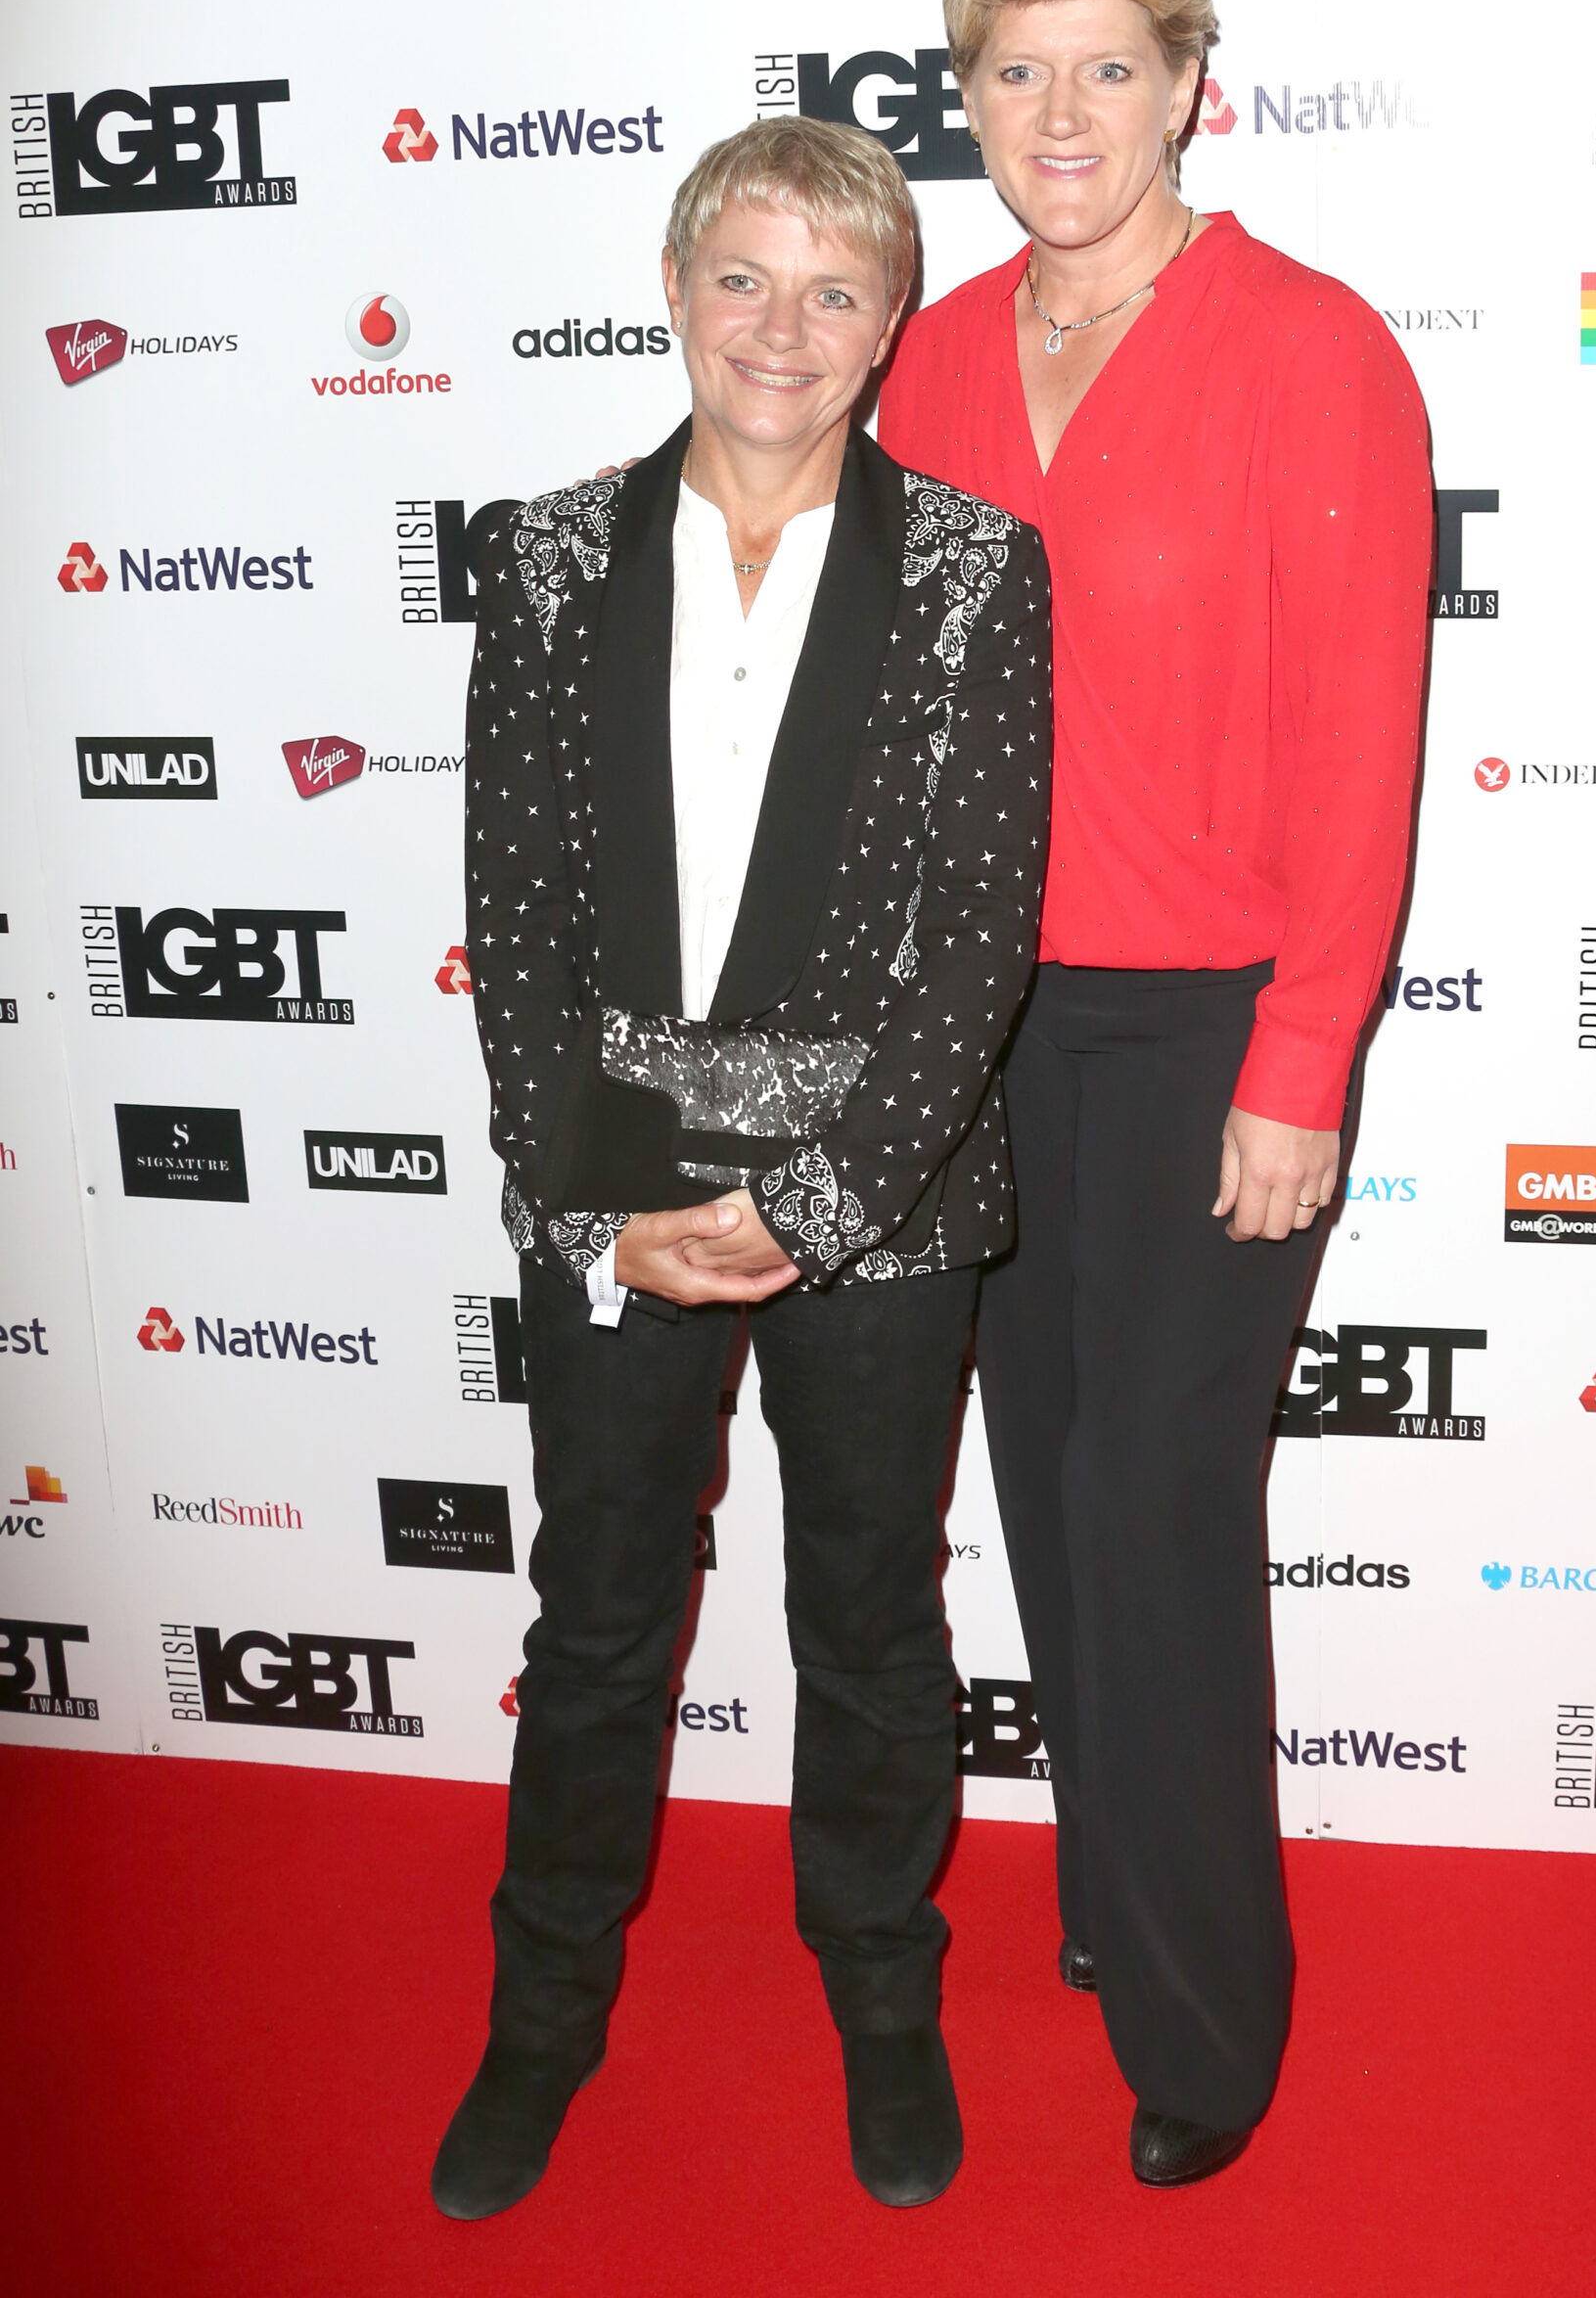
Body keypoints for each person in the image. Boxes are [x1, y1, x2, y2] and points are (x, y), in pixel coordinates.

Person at [437, 116, 1051, 2220]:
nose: (780, 328)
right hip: (605, 1171)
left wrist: (801, 1205)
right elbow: (508, 909)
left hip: (880, 1192)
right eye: (741, 275)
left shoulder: (974, 565)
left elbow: (975, 940)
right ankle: (539, 2015)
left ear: (890, 321)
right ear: (675, 280)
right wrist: (599, 1196)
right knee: (599, 1608)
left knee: (870, 1614)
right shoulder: (535, 551)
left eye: (833, 287)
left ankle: (882, 1993)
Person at [879, 0, 1433, 2188]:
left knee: (1153, 1501)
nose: (1059, 110)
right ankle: (1112, 1893)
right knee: (1037, 1490)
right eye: (1013, 69)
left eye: (1107, 62)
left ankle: (1209, 2014)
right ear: (967, 102)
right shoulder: (921, 352)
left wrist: (1302, 1053)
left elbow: (1352, 738)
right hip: (974, 1036)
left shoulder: (1309, 347)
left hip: (1212, 1024)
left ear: (1192, 82)